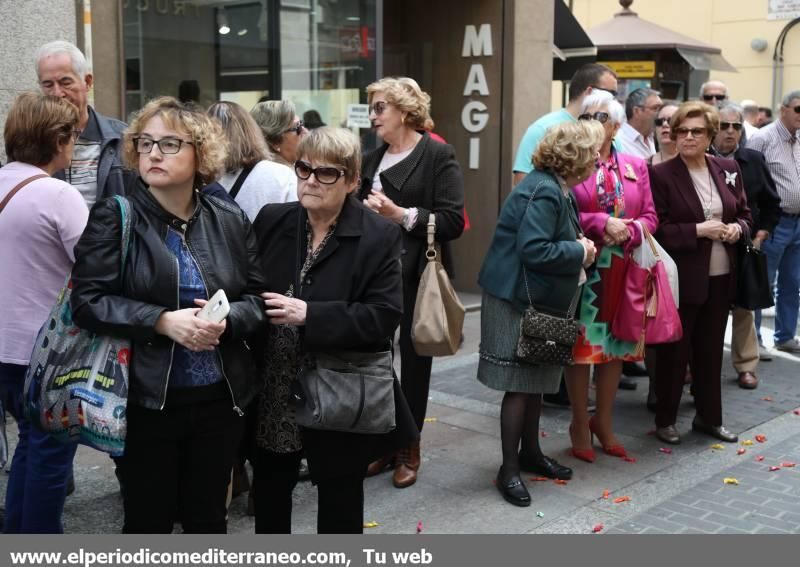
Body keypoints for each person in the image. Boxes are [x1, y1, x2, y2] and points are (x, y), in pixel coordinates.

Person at [70, 97, 266, 533]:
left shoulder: (228, 218)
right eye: (145, 143)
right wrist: (161, 320)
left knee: (208, 521)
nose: (154, 153)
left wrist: (229, 319)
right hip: (146, 404)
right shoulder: (115, 216)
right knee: (147, 522)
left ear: (201, 153)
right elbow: (87, 302)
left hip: (220, 400)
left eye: (171, 144)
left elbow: (257, 299)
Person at [251, 127, 415, 533]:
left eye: (326, 174)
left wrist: (311, 314)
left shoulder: (377, 234)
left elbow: (383, 316)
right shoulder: (274, 220)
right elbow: (249, 287)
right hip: (275, 381)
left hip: (340, 383)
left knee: (339, 499)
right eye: (304, 168)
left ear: (352, 181)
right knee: (271, 490)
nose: (310, 180)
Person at [478, 120, 602, 506]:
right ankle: (508, 471)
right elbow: (535, 250)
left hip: (529, 299)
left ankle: (528, 455)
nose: (599, 158)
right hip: (516, 300)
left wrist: (578, 244)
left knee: (534, 382)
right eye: (594, 152)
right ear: (576, 157)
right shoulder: (544, 191)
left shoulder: (551, 186)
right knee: (520, 385)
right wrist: (581, 250)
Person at [359, 77, 464, 488]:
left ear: (404, 110)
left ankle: (409, 446)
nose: (373, 116)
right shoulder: (371, 158)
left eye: (380, 107)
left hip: (418, 274)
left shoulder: (438, 154)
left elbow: (453, 220)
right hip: (373, 273)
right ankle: (385, 441)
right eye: (371, 108)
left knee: (415, 364)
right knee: (376, 358)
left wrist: (399, 214)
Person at [0, 93, 88, 533]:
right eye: (72, 135)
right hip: (48, 353)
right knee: (50, 460)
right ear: (58, 139)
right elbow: (94, 269)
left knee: (29, 451)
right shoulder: (58, 195)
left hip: (5, 350)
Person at [650, 101, 752, 445]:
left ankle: (709, 419)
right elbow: (658, 229)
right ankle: (665, 419)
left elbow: (745, 212)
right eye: (681, 130)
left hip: (722, 274)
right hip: (683, 276)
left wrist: (738, 228)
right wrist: (698, 230)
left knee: (710, 352)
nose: (688, 137)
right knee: (674, 354)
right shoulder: (662, 174)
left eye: (696, 131)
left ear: (710, 135)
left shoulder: (727, 167)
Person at [566, 91, 658, 462]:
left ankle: (603, 421)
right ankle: (577, 421)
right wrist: (602, 222)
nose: (592, 124)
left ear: (617, 126)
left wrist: (631, 230)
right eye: (586, 117)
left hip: (626, 267)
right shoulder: (571, 163)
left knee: (617, 348)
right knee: (582, 351)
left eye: (600, 118)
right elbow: (564, 212)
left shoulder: (636, 165)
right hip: (585, 269)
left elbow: (651, 216)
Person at [710, 102, 781, 386]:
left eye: (736, 126)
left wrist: (763, 232)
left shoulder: (753, 159)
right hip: (710, 243)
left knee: (745, 307)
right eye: (723, 126)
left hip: (747, 243)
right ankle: (699, 364)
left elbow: (771, 202)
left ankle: (746, 366)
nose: (730, 132)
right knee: (708, 307)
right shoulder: (698, 159)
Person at [36, 40, 131, 207]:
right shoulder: (31, 139)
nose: (57, 93)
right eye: (48, 85)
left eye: (65, 83)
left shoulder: (122, 137)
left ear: (87, 82)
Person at [748, 91, 800, 355]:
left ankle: (785, 336)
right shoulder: (762, 138)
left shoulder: (799, 138)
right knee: (762, 283)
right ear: (783, 109)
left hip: (798, 223)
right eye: (798, 109)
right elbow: (748, 181)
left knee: (792, 283)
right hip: (774, 224)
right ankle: (754, 339)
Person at [512, 63, 618, 186]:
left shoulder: (611, 131)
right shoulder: (541, 129)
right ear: (590, 92)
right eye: (611, 93)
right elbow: (524, 187)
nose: (614, 100)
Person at [207, 101, 297, 221]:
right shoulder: (281, 175)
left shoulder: (198, 180)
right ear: (251, 131)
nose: (305, 132)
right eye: (297, 128)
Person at [251, 100, 307, 169]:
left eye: (301, 123)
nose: (305, 131)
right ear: (274, 142)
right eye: (297, 128)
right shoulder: (283, 176)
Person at [617, 88, 663, 160]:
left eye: (661, 109)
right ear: (637, 111)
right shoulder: (618, 141)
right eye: (655, 108)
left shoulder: (650, 136)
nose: (660, 114)